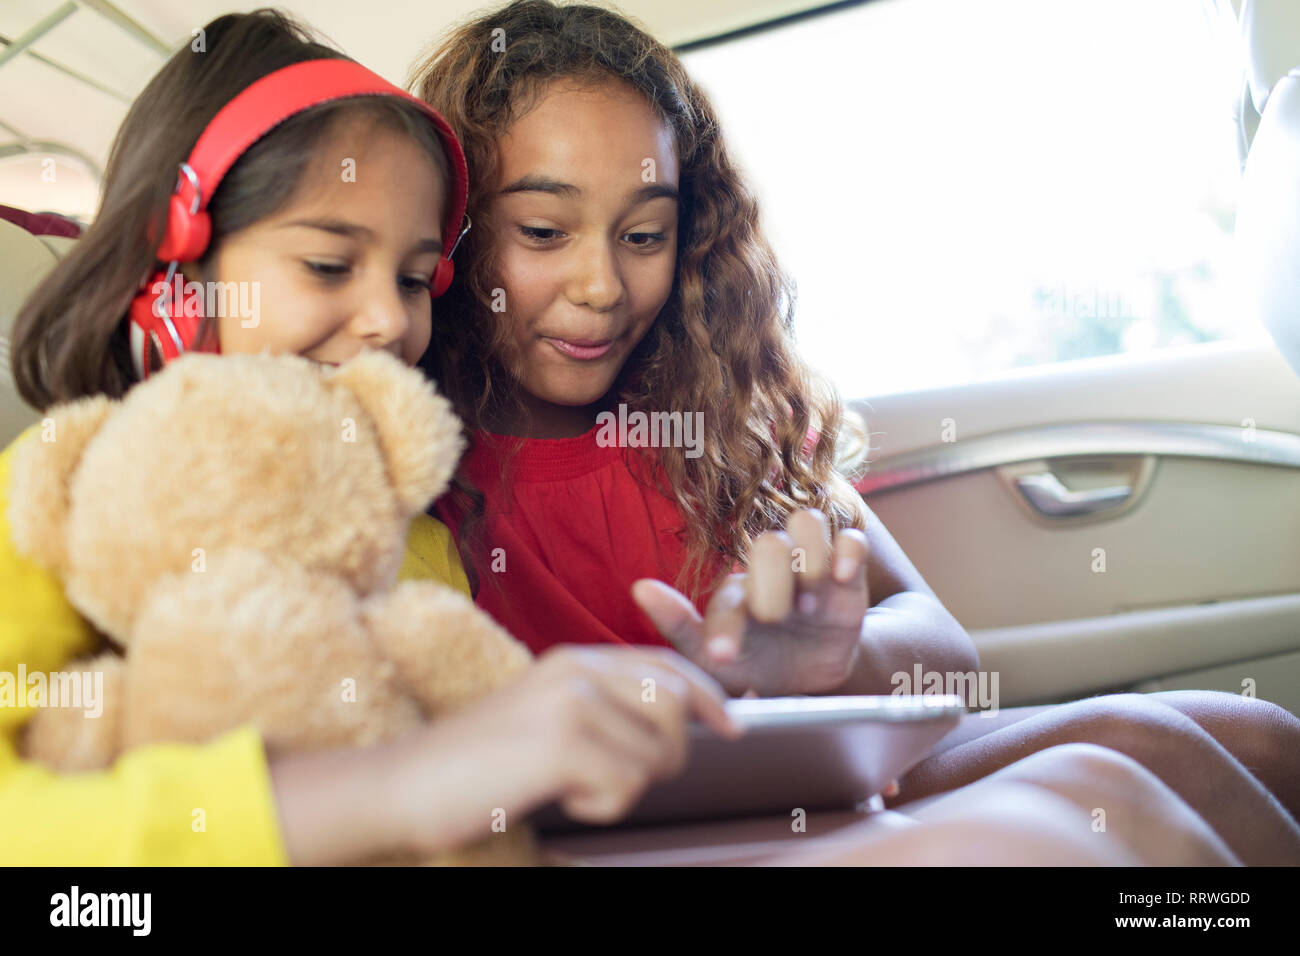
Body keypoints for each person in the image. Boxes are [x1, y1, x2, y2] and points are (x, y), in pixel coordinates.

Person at [412, 0, 1300, 865]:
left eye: (644, 234)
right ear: (449, 230)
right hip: (631, 826)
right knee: (1134, 755)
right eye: (542, 231)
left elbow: (944, 653)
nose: (602, 284)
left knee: (1255, 735)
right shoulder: (419, 472)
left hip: (817, 780)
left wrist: (823, 666)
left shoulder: (715, 421)